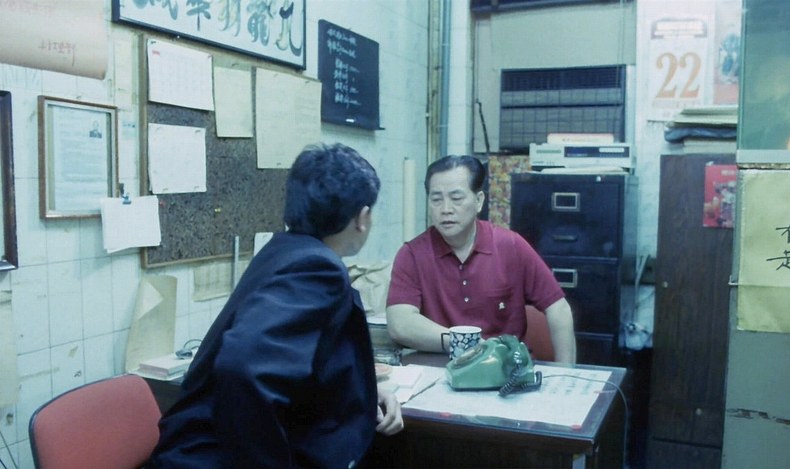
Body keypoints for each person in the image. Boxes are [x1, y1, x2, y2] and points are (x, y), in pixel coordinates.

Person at [149, 143, 403, 468]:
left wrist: (362, 392)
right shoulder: (318, 268)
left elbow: (299, 360)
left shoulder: (284, 250)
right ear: (363, 217)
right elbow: (242, 368)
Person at [386, 154, 576, 364]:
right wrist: (465, 343)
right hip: (440, 370)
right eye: (436, 199)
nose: (446, 209)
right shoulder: (412, 254)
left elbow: (558, 308)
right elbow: (400, 324)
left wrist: (566, 372)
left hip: (505, 370)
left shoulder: (510, 246)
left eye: (456, 198)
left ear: (478, 201)